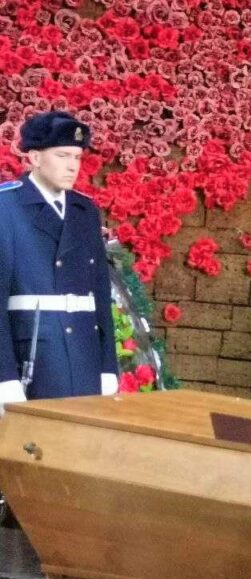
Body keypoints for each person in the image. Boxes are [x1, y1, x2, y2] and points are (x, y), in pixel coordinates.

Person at [0, 110, 118, 408]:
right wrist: (4, 377)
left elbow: (100, 294)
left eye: (77, 157)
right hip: (34, 358)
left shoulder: (85, 210)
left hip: (85, 356)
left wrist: (108, 367)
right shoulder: (6, 206)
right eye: (62, 155)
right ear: (35, 158)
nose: (72, 165)